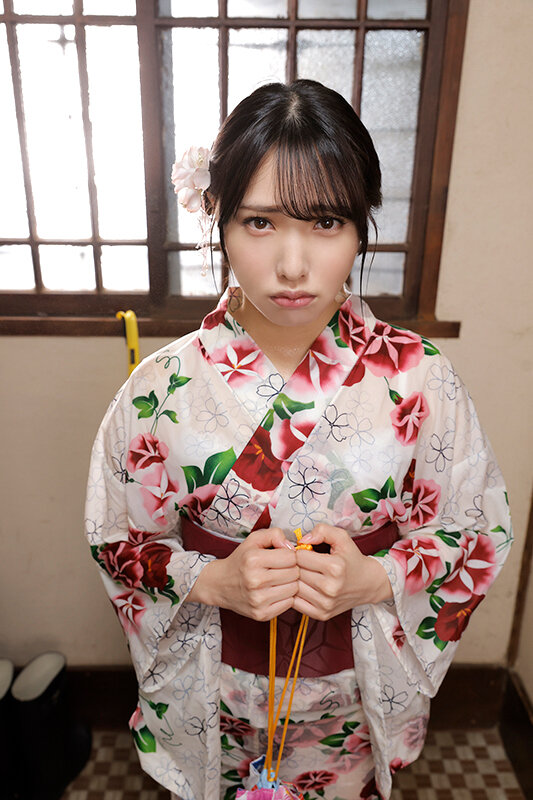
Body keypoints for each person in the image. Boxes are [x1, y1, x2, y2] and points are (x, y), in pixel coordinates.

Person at [85, 80, 512, 800]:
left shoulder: (419, 378)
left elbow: (476, 530)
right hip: (211, 689)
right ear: (217, 218)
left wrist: (374, 578)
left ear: (360, 226)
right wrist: (210, 580)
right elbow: (116, 538)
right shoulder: (159, 387)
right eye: (259, 222)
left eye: (325, 222)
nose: (291, 264)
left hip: (354, 694)